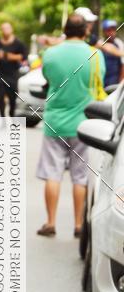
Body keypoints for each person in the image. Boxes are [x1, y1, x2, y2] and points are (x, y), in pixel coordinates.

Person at [36, 12, 105, 238]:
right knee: (81, 177)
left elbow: (48, 78)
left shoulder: (51, 54)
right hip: (85, 124)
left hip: (55, 122)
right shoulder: (95, 55)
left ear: (65, 30)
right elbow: (99, 82)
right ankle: (77, 225)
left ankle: (50, 222)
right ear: (86, 30)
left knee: (52, 174)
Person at [0, 22, 28, 117]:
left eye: (7, 28)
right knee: (0, 97)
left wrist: (9, 56)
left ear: (11, 29)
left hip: (13, 74)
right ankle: (2, 119)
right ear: (1, 31)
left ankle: (12, 115)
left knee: (13, 98)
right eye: (3, 29)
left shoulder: (18, 43)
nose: (5, 31)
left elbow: (24, 57)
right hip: (0, 73)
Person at [96, 19, 124, 88]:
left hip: (115, 82)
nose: (111, 32)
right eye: (108, 30)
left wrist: (121, 83)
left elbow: (123, 64)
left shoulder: (119, 44)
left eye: (113, 30)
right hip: (101, 82)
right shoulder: (99, 44)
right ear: (104, 31)